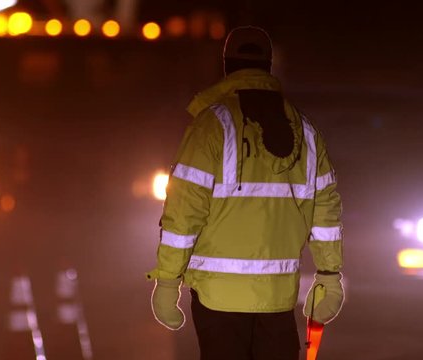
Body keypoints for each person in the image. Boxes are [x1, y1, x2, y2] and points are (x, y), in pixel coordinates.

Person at [146, 25, 344, 360]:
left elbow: (183, 212)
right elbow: (326, 211)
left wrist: (168, 280)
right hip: (278, 299)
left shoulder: (211, 125)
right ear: (269, 66)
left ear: (226, 66)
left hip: (217, 299)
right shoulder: (306, 131)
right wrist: (328, 274)